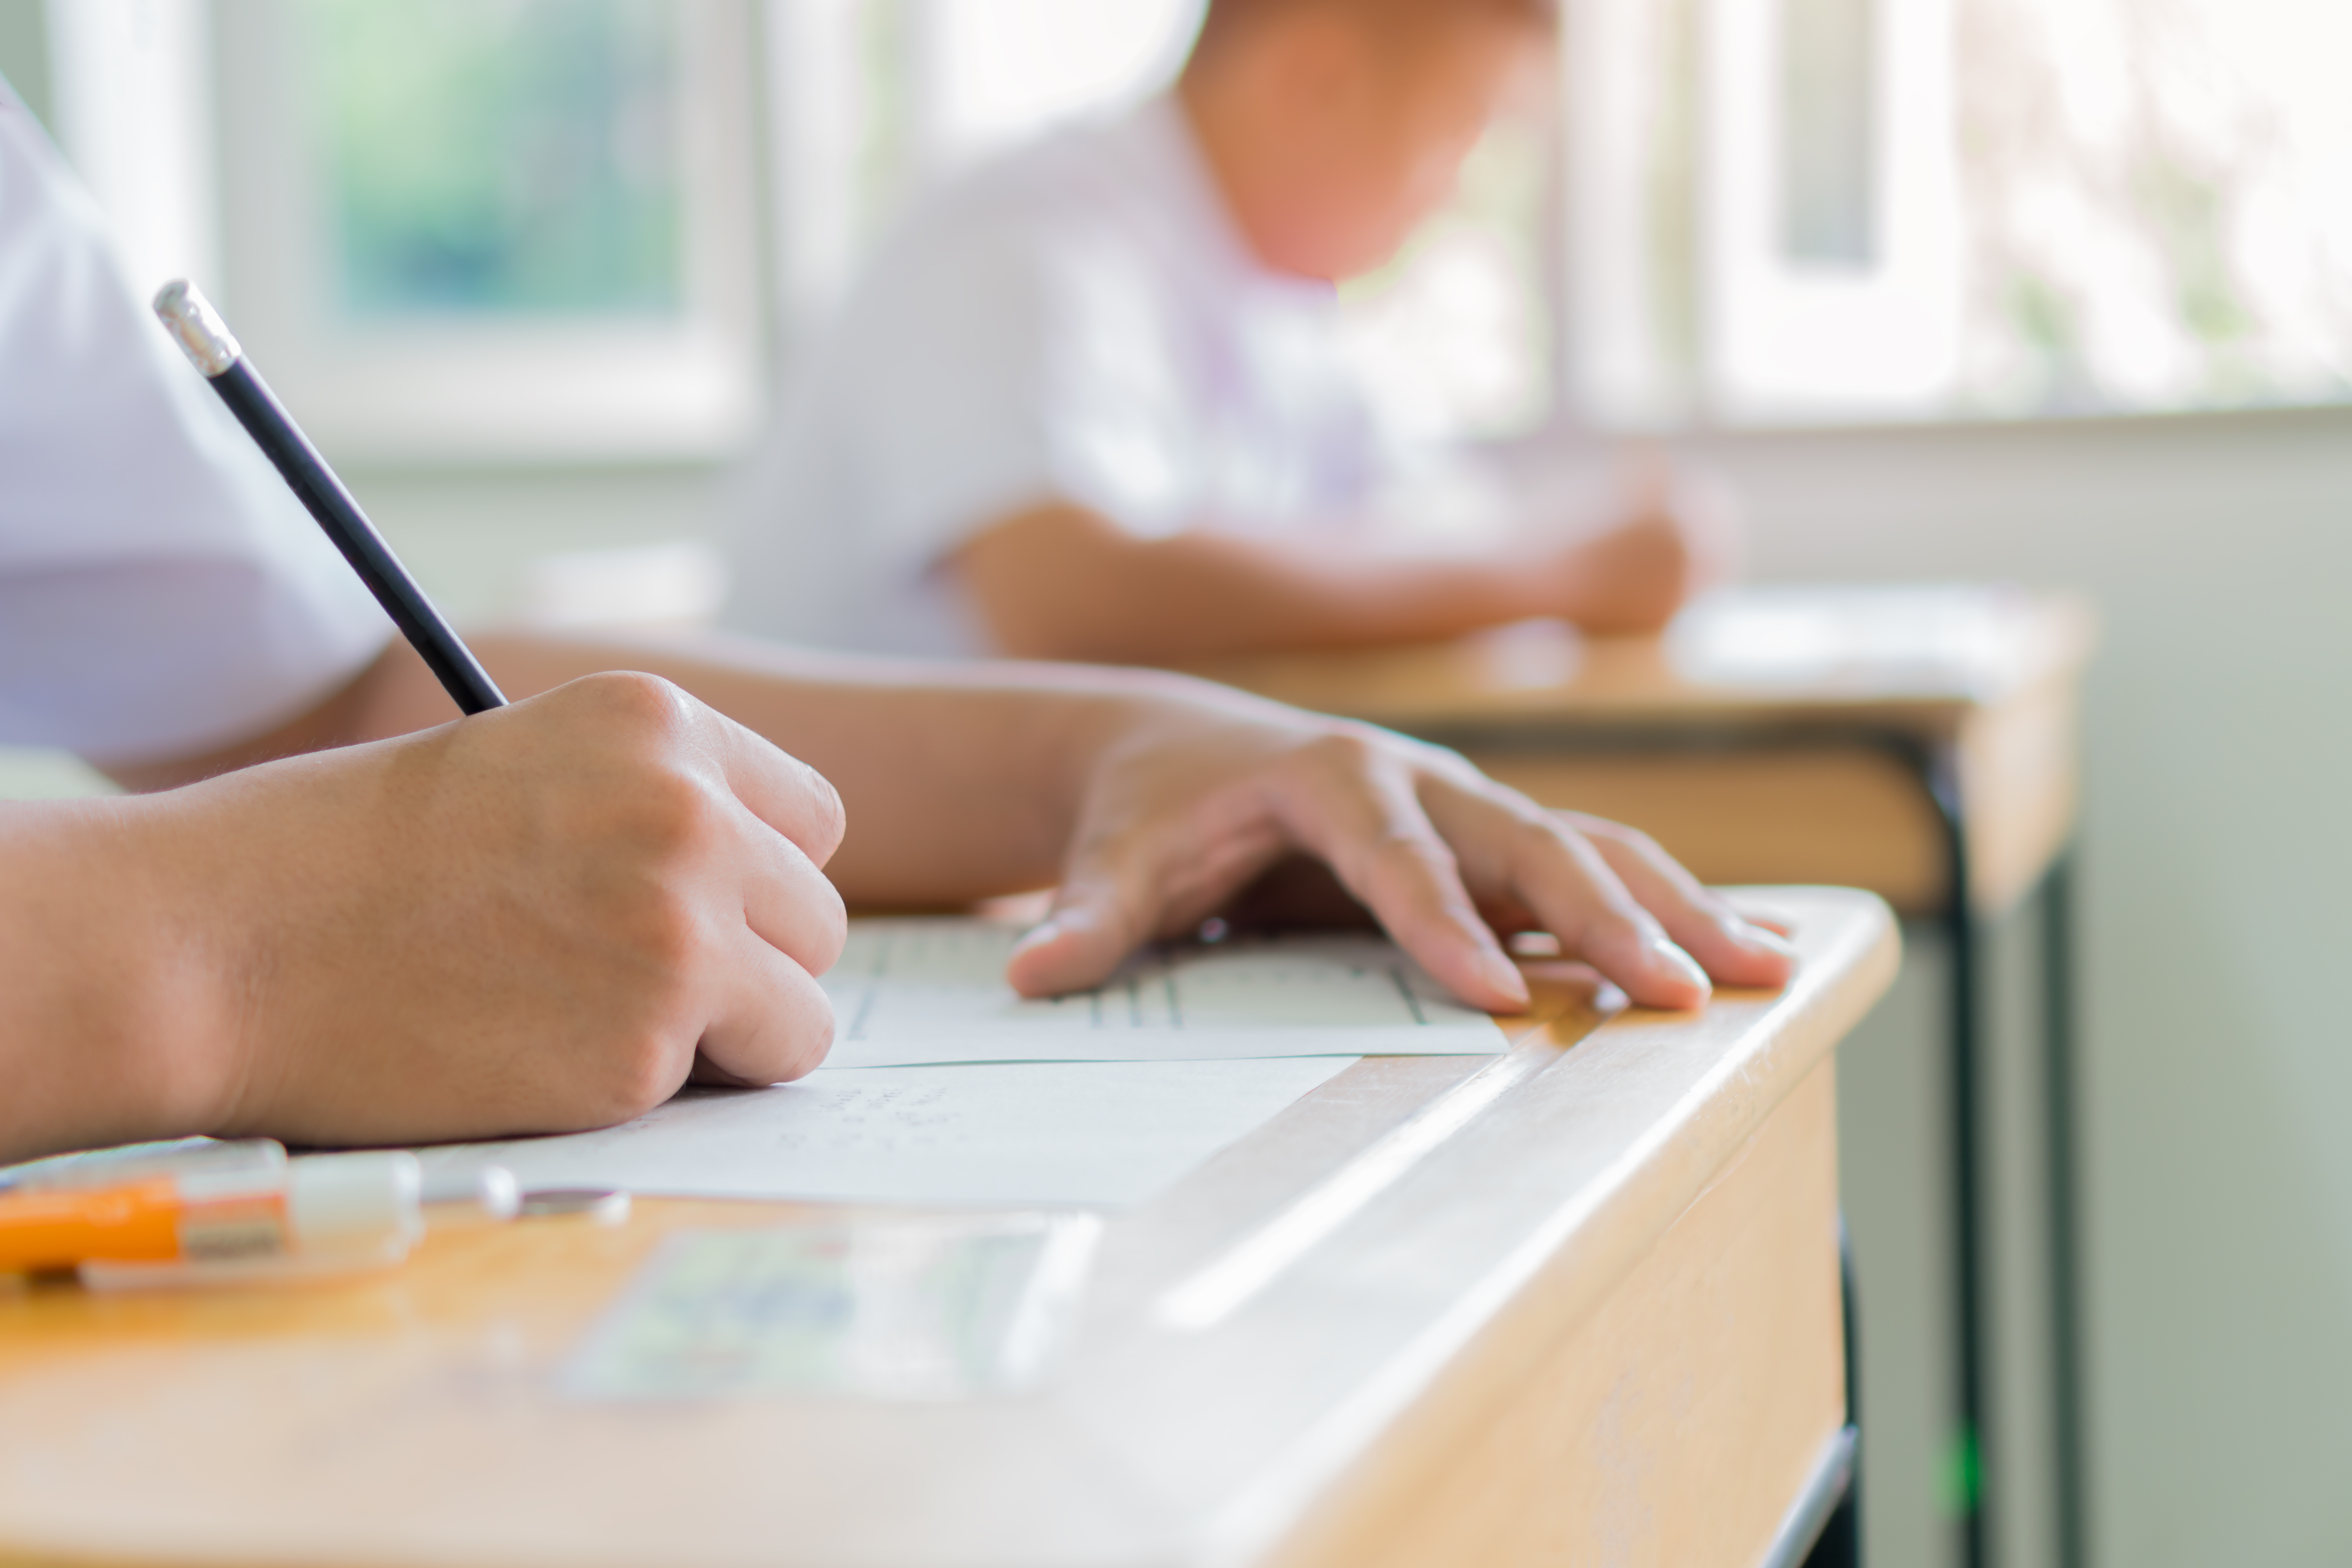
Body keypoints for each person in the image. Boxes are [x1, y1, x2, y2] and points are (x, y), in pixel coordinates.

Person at [0, 72, 1790, 1168]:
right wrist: (218, 955)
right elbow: (1067, 566)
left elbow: (323, 698)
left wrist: (1112, 750)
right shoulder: (1042, 233)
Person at [722, 0, 1730, 666]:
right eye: (1461, 134)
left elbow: (1421, 523)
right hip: (875, 923)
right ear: (1319, 76)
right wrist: (1562, 571)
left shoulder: (1273, 306)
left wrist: (1548, 550)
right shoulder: (1025, 245)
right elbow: (1076, 605)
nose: (1458, 194)